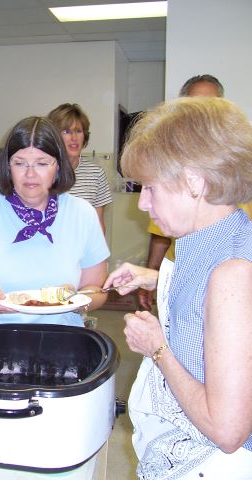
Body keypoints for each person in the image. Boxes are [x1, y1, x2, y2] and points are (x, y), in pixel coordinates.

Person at [104, 97, 252, 478]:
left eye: (150, 188)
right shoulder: (219, 237)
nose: (142, 203)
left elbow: (228, 431)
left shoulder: (232, 274)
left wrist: (157, 348)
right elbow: (211, 305)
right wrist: (155, 278)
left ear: (194, 182)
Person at [0, 116, 110, 338]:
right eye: (19, 163)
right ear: (7, 166)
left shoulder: (82, 213)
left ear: (58, 165)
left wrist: (77, 300)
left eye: (42, 163)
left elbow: (97, 290)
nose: (30, 174)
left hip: (59, 338)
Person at [139, 74, 225, 310]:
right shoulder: (170, 158)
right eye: (195, 104)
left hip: (227, 274)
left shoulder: (238, 160)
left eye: (212, 103)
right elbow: (161, 231)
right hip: (179, 274)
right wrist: (152, 273)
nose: (203, 111)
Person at [47, 103, 112, 232]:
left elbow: (98, 226)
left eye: (78, 131)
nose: (74, 138)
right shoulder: (43, 173)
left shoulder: (96, 174)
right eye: (66, 131)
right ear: (54, 136)